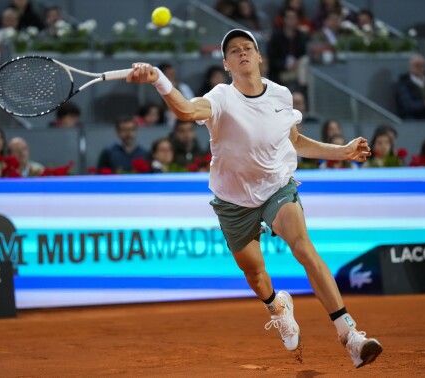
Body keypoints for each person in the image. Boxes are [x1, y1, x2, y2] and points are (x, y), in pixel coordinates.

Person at [126, 28, 382, 368]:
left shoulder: (281, 95)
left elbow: (293, 141)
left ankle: (350, 335)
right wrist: (159, 78)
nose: (242, 52)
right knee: (256, 276)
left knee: (303, 247)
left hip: (277, 186)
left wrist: (343, 151)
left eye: (248, 48)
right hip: (233, 199)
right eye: (234, 50)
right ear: (227, 63)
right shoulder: (219, 97)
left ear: (259, 57)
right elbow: (187, 111)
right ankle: (277, 306)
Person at [267, 8, 309, 92]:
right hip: (280, 73)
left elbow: (303, 54)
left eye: (293, 18)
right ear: (284, 19)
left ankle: (301, 92)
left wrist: (295, 63)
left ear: (297, 20)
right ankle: (303, 92)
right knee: (304, 73)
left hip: (297, 68)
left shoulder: (301, 36)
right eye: (288, 18)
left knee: (305, 62)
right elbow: (271, 59)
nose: (291, 20)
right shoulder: (276, 36)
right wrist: (284, 65)